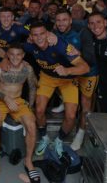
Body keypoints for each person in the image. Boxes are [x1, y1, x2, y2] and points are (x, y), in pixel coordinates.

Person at [24, 22, 89, 157]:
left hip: (67, 80)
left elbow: (85, 67)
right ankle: (45, 138)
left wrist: (67, 70)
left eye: (42, 34)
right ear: (31, 37)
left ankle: (59, 140)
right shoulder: (30, 45)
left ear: (48, 34)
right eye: (35, 35)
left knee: (71, 116)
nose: (39, 38)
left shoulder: (60, 46)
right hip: (47, 78)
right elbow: (13, 47)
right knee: (39, 110)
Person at [0, 44, 39, 183]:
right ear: (7, 55)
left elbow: (32, 87)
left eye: (18, 54)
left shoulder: (28, 68)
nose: (15, 57)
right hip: (0, 101)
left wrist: (31, 106)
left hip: (18, 101)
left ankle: (28, 162)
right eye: (12, 54)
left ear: (23, 55)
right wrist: (5, 98)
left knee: (32, 125)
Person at [53, 9, 98, 150]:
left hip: (88, 73)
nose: (61, 23)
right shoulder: (54, 33)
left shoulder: (82, 32)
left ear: (71, 20)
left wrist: (78, 53)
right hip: (71, 73)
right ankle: (62, 101)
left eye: (64, 20)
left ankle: (80, 133)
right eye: (58, 20)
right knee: (55, 80)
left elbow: (91, 58)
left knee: (85, 105)